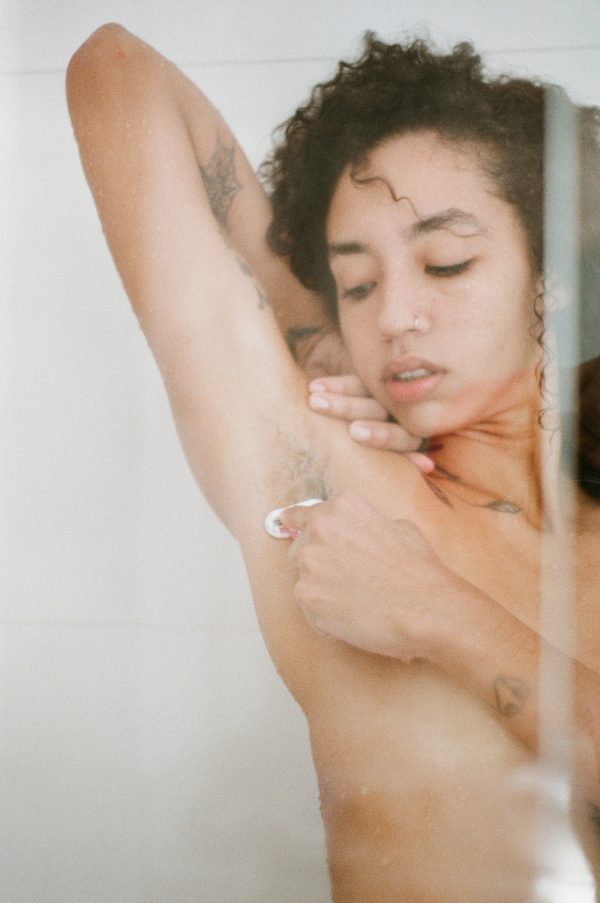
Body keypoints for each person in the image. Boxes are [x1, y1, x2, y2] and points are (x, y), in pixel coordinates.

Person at [67, 25, 600, 902]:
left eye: (445, 263)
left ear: (554, 276)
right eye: (358, 283)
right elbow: (115, 71)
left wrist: (438, 611)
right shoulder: (344, 497)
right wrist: (318, 330)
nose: (394, 317)